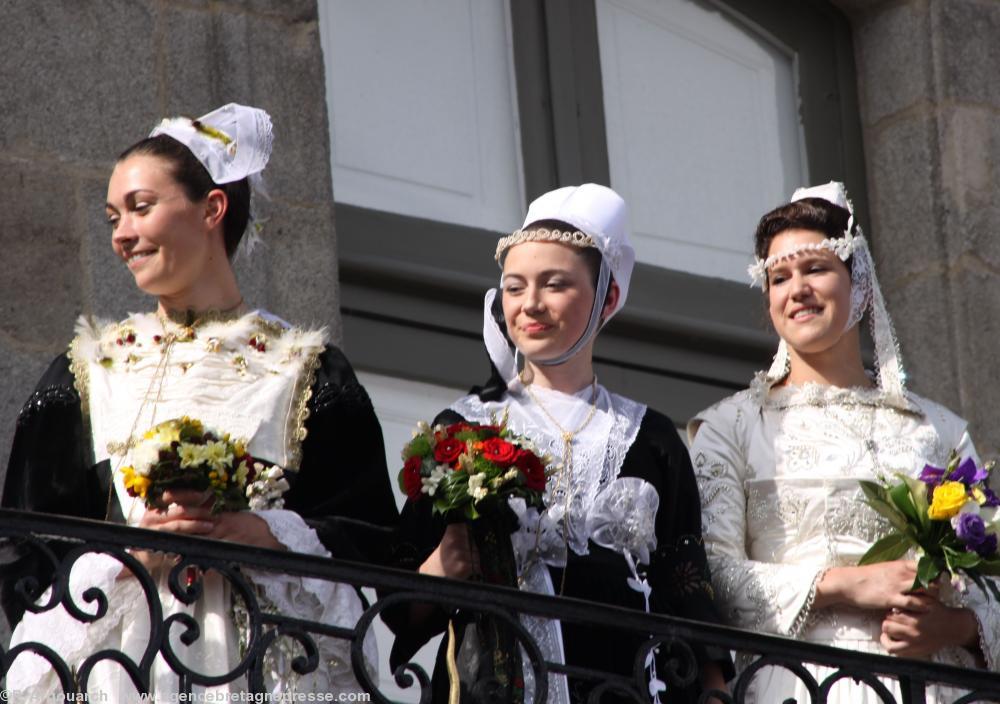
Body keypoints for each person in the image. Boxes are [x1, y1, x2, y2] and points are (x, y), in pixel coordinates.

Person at [2, 104, 398, 700]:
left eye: (140, 207)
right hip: (121, 674)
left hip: (266, 668)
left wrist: (268, 534)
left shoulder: (306, 370)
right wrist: (131, 553)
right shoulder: (85, 372)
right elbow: (25, 555)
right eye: (113, 216)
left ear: (212, 209)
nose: (121, 235)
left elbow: (375, 545)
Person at [385, 184, 733, 703]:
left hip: (631, 686)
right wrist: (443, 566)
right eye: (514, 286)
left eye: (554, 284)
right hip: (497, 684)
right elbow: (398, 601)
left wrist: (716, 692)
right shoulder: (463, 429)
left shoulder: (653, 438)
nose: (530, 305)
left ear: (607, 298)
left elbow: (685, 584)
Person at [688, 181, 1000, 702]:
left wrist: (955, 627)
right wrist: (843, 584)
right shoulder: (731, 427)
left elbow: (993, 576)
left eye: (815, 269)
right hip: (800, 684)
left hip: (934, 685)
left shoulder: (937, 428)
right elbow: (710, 577)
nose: (797, 289)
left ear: (859, 283)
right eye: (779, 277)